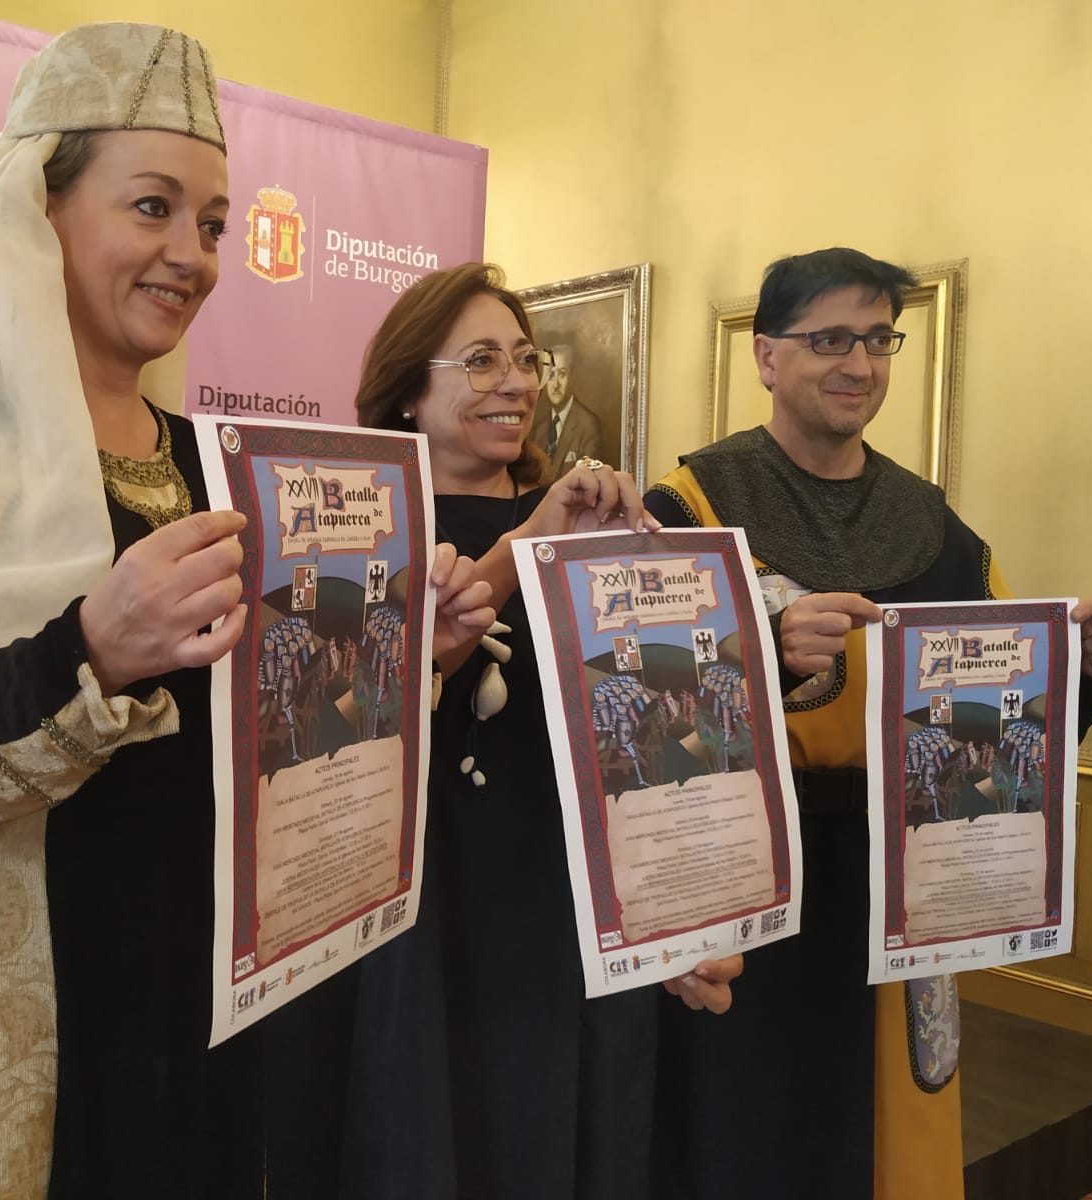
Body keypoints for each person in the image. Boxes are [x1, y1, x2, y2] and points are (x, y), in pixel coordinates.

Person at [0, 24, 492, 1198]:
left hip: (191, 1016)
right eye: (151, 208)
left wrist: (417, 664)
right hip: (4, 1028)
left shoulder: (210, 462)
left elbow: (261, 734)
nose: (192, 254)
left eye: (211, 223)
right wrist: (90, 657)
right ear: (37, 210)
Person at [642, 246, 1092, 1200]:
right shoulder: (687, 506)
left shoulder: (933, 523)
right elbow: (631, 721)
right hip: (746, 876)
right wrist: (763, 654)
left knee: (880, 1142)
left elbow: (997, 722)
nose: (858, 364)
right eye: (829, 338)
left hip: (896, 884)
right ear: (766, 356)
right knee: (736, 1128)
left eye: (877, 340)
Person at [351, 263, 743, 1199]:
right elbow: (368, 704)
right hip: (420, 904)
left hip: (569, 900)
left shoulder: (598, 529)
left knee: (571, 1136)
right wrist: (527, 539)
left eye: (526, 360)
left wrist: (687, 901)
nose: (516, 383)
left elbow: (660, 723)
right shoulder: (364, 529)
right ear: (408, 388)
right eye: (481, 359)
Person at [527, 341, 605, 474]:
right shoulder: (539, 429)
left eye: (562, 374)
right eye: (551, 375)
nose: (555, 384)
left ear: (572, 377)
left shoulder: (588, 425)